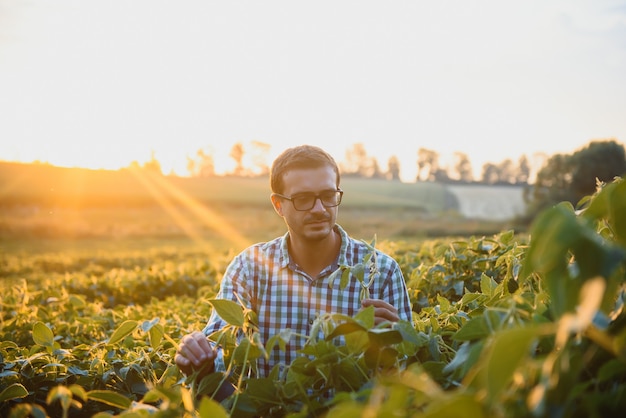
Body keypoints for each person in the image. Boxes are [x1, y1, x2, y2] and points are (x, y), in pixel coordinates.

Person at [175, 144, 412, 378]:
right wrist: (196, 356)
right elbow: (218, 350)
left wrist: (389, 341)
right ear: (278, 205)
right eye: (303, 199)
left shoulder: (381, 271)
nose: (319, 209)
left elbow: (405, 370)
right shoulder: (249, 269)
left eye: (328, 196)